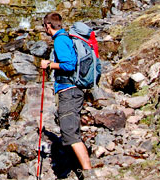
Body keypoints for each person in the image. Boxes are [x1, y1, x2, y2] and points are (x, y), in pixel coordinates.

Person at [39, 12, 95, 179]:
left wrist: (49, 64)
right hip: (71, 90)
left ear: (48, 25)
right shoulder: (66, 38)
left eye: (44, 26)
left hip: (68, 91)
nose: (45, 29)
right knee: (70, 130)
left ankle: (89, 173)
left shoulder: (60, 40)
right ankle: (80, 169)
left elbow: (69, 65)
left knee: (69, 132)